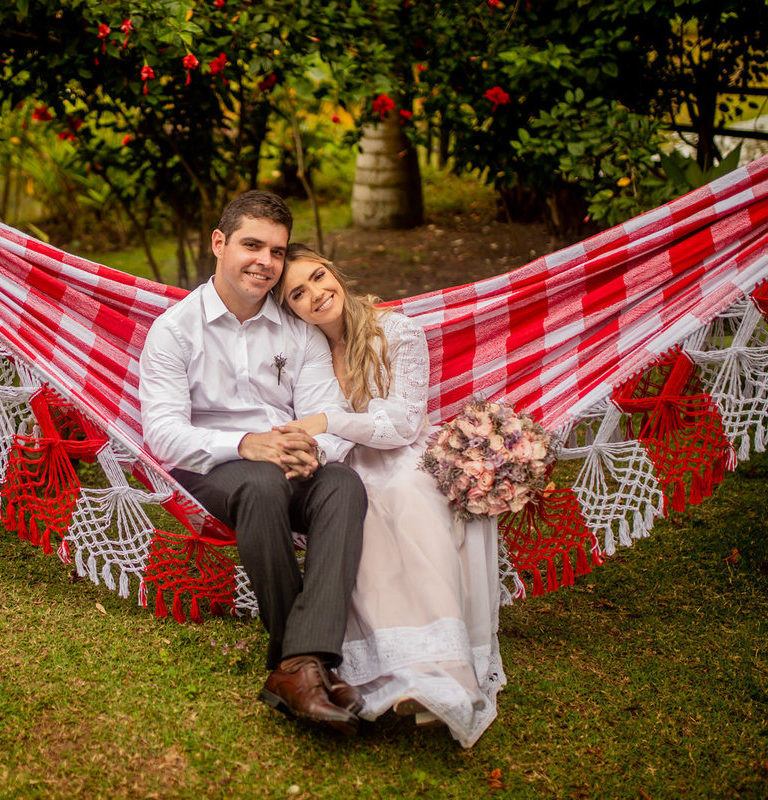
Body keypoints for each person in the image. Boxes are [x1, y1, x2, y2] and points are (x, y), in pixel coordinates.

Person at [139, 192, 368, 736]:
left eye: (277, 251)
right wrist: (248, 444)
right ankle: (307, 663)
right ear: (218, 244)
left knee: (346, 486)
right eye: (251, 244)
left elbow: (326, 413)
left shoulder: (298, 330)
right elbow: (164, 435)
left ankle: (295, 667)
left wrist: (310, 449)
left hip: (291, 457)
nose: (265, 261)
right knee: (262, 484)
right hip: (216, 467)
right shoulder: (174, 330)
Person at [274, 243, 504, 748]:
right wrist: (311, 448)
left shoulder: (397, 330)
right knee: (358, 507)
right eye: (298, 293)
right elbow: (322, 432)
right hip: (350, 462)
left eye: (318, 277)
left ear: (334, 270)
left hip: (406, 454)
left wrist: (329, 421)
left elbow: (402, 423)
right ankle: (388, 671)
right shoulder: (307, 353)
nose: (315, 294)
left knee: (407, 493)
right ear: (289, 307)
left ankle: (442, 671)